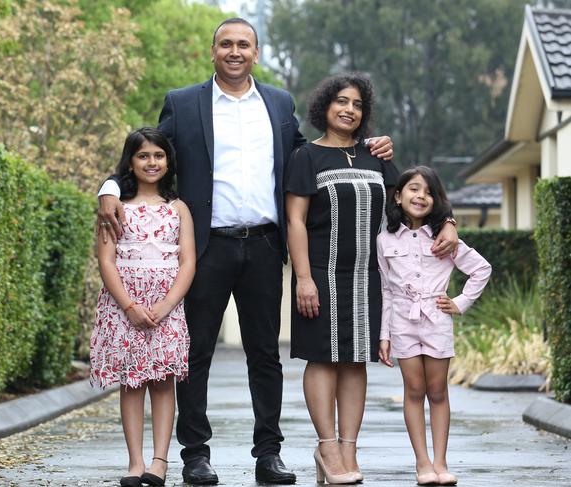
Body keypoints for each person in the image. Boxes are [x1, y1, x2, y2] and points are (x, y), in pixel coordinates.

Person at [97, 18, 394, 485]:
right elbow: (147, 151)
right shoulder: (183, 102)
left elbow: (309, 153)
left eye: (244, 45)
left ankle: (268, 454)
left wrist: (366, 146)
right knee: (194, 355)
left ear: (256, 53)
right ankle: (195, 454)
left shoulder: (278, 102)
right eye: (226, 44)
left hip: (262, 245)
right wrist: (110, 188)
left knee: (264, 355)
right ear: (212, 50)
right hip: (205, 247)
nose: (235, 51)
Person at [285, 74, 459, 485]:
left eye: (358, 104)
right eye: (341, 101)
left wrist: (448, 221)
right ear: (324, 107)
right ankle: (326, 447)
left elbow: (416, 200)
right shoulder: (305, 157)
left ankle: (349, 449)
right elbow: (294, 220)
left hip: (370, 277)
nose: (349, 109)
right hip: (322, 274)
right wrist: (303, 277)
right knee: (323, 357)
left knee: (354, 361)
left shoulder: (376, 157)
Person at [90, 127, 195, 487]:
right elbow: (106, 260)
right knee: (131, 383)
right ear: (130, 163)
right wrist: (130, 306)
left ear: (168, 162)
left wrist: (166, 305)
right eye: (143, 156)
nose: (152, 162)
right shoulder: (115, 208)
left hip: (167, 304)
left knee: (164, 381)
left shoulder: (178, 209)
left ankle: (159, 462)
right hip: (125, 306)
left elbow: (188, 262)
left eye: (158, 156)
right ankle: (135, 462)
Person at [377, 166, 491, 486]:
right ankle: (422, 463)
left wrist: (460, 302)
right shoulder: (384, 240)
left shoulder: (445, 237)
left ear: (436, 200)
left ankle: (441, 462)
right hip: (402, 320)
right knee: (414, 390)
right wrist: (384, 335)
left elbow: (481, 269)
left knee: (438, 391)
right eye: (413, 189)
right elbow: (386, 289)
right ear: (398, 196)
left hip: (437, 318)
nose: (421, 196)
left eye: (428, 192)